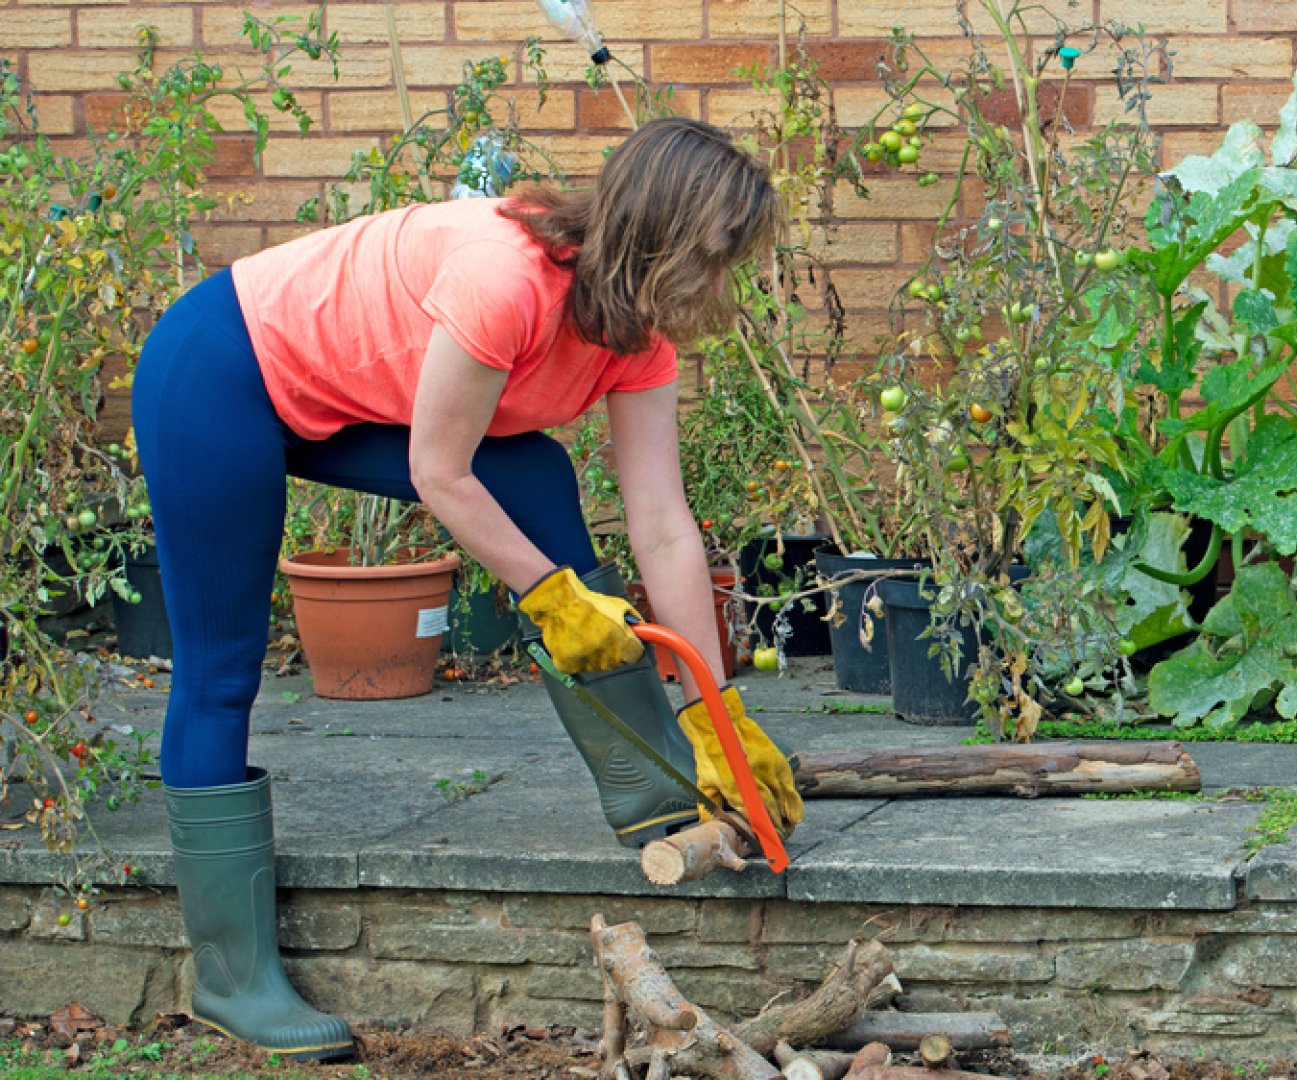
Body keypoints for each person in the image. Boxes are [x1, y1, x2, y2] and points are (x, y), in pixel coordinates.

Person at [131, 116, 805, 1063]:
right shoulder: (507, 279)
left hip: (337, 403)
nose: (724, 281)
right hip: (222, 370)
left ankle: (660, 791)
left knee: (533, 477)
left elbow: (662, 524)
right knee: (222, 667)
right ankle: (231, 978)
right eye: (718, 255)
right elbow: (440, 471)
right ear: (663, 234)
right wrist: (555, 599)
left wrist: (716, 711)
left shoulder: (638, 334)